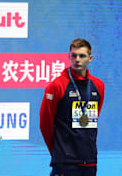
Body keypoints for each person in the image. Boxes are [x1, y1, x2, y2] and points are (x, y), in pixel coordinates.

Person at [40, 38, 105, 176]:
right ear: (69, 56)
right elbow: (45, 124)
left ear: (90, 58)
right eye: (73, 55)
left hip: (90, 161)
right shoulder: (57, 86)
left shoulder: (98, 86)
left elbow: (93, 119)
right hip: (65, 162)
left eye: (82, 56)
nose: (77, 59)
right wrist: (59, 151)